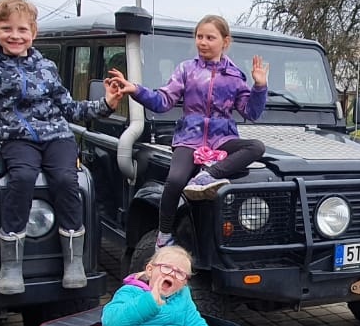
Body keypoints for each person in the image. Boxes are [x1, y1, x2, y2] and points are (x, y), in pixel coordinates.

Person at [0, 0, 121, 294]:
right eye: (7, 29)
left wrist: (106, 104)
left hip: (57, 136)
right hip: (17, 139)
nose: (15, 36)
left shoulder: (46, 66)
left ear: (33, 32)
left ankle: (73, 261)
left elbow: (70, 109)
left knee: (66, 180)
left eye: (22, 30)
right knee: (23, 178)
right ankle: (11, 265)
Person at [104, 15, 268, 248]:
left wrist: (259, 86)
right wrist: (136, 90)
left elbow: (251, 112)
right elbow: (163, 102)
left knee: (256, 147)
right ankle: (164, 234)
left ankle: (209, 175)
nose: (203, 42)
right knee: (175, 180)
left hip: (222, 138)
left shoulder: (234, 76)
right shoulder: (187, 70)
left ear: (225, 41)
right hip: (189, 138)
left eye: (210, 37)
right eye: (199, 37)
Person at [101, 245, 224, 326]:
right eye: (166, 268)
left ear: (184, 283)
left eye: (180, 273)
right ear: (150, 270)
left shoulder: (182, 295)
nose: (172, 274)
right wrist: (149, 302)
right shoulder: (130, 292)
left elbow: (194, 324)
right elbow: (112, 324)